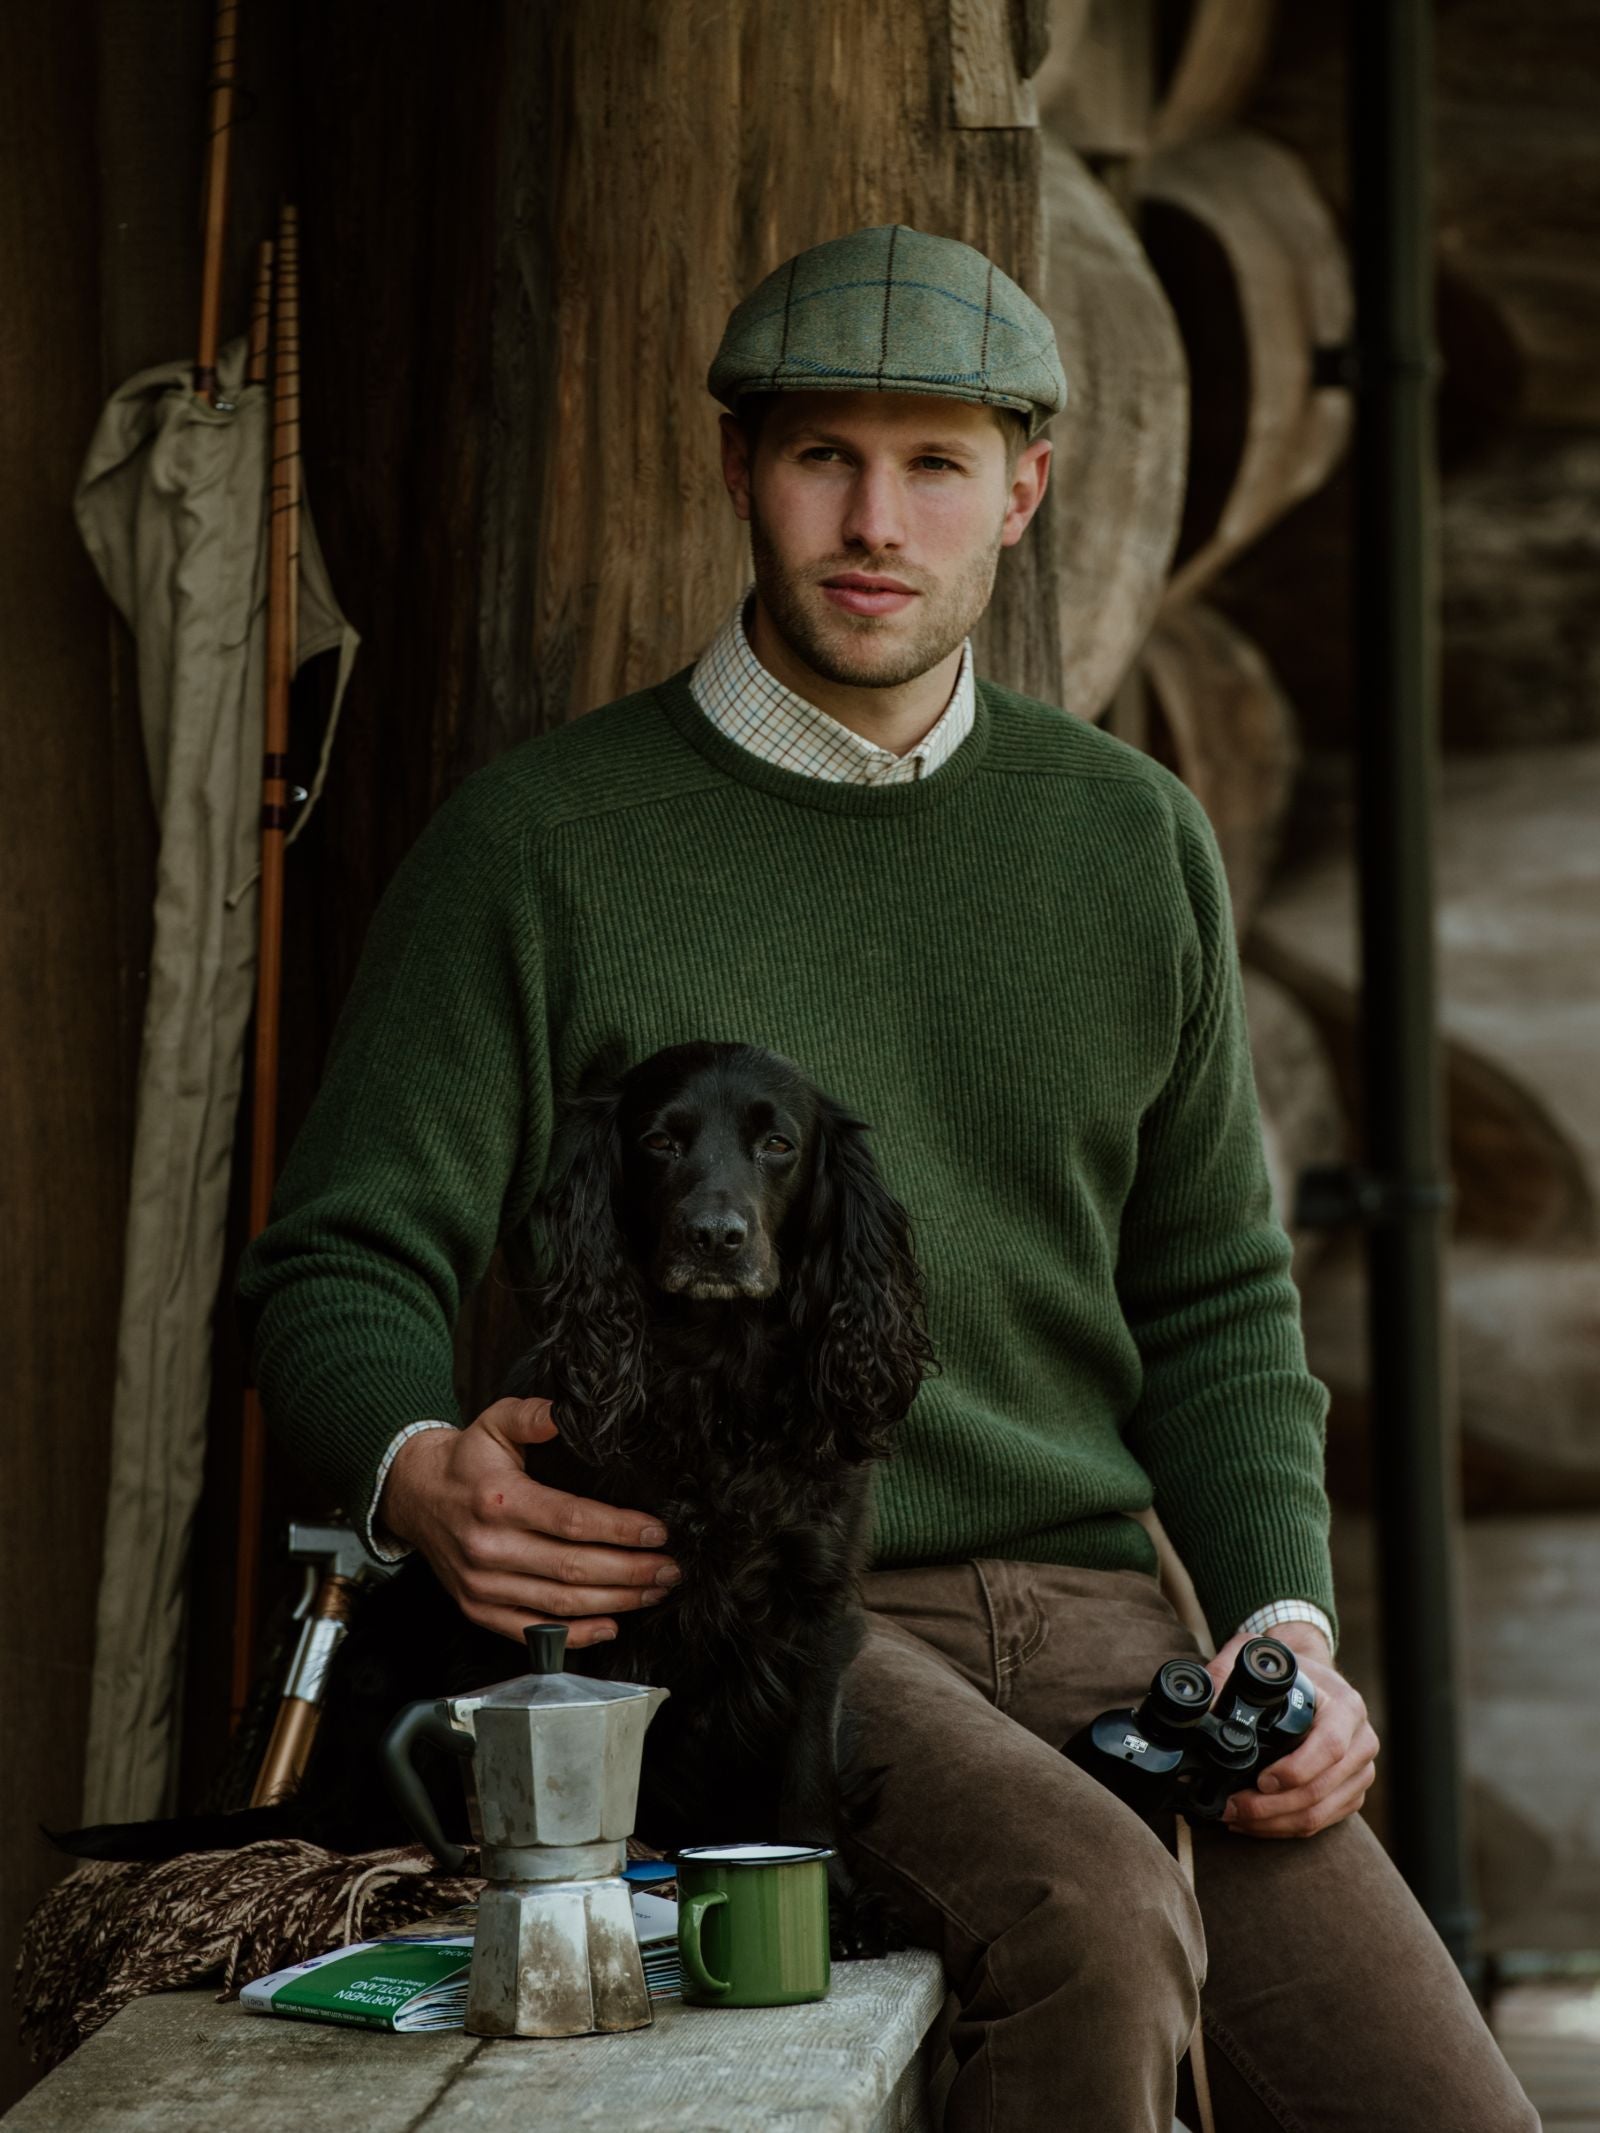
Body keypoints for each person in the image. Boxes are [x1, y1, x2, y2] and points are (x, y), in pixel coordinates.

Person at [238, 224, 1535, 2132]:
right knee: (1090, 1915)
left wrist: (1283, 1627)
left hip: (1115, 1625)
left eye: (935, 463)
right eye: (821, 457)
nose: (873, 520)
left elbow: (1216, 1298)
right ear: (738, 469)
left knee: (1449, 2111)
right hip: (766, 1609)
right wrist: (417, 1467)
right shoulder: (540, 845)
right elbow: (341, 1259)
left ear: (1024, 491)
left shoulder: (1131, 838)